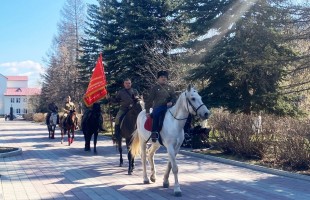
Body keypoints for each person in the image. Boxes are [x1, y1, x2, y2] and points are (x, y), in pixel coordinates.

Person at [145, 70, 177, 142]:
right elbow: (149, 100)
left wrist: (171, 102)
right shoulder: (155, 88)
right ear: (158, 79)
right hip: (158, 107)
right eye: (162, 77)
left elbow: (174, 97)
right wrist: (147, 111)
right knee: (156, 114)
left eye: (165, 77)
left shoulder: (170, 88)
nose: (164, 78)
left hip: (169, 107)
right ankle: (154, 132)